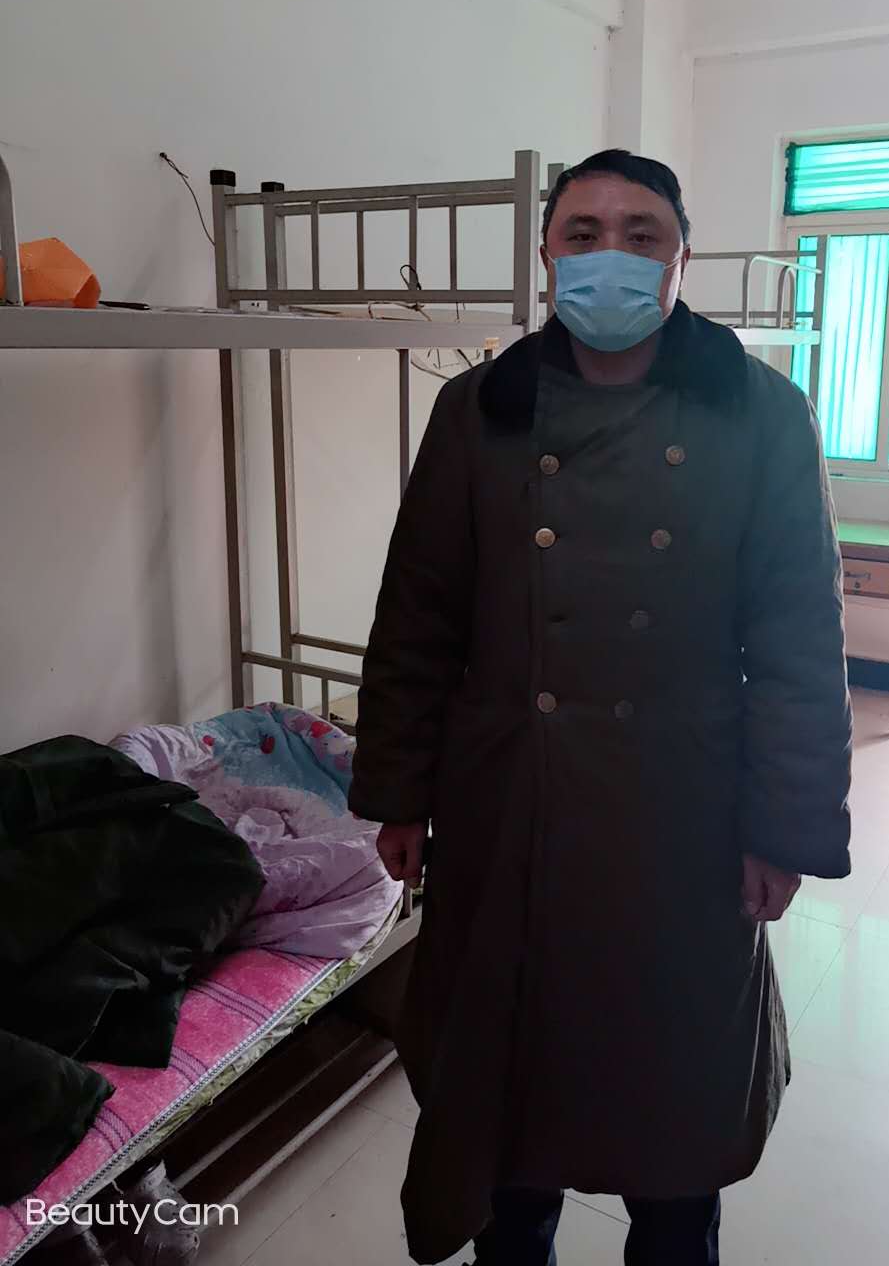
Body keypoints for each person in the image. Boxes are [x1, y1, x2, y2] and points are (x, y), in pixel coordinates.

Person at [350, 149, 852, 1266]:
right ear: (546, 254)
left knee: (675, 1130)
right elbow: (419, 613)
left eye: (641, 234)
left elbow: (797, 644)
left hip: (685, 816)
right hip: (509, 806)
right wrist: (399, 790)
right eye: (583, 234)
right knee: (510, 1118)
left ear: (682, 259)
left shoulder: (762, 413)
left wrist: (786, 827)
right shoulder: (477, 409)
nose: (609, 255)